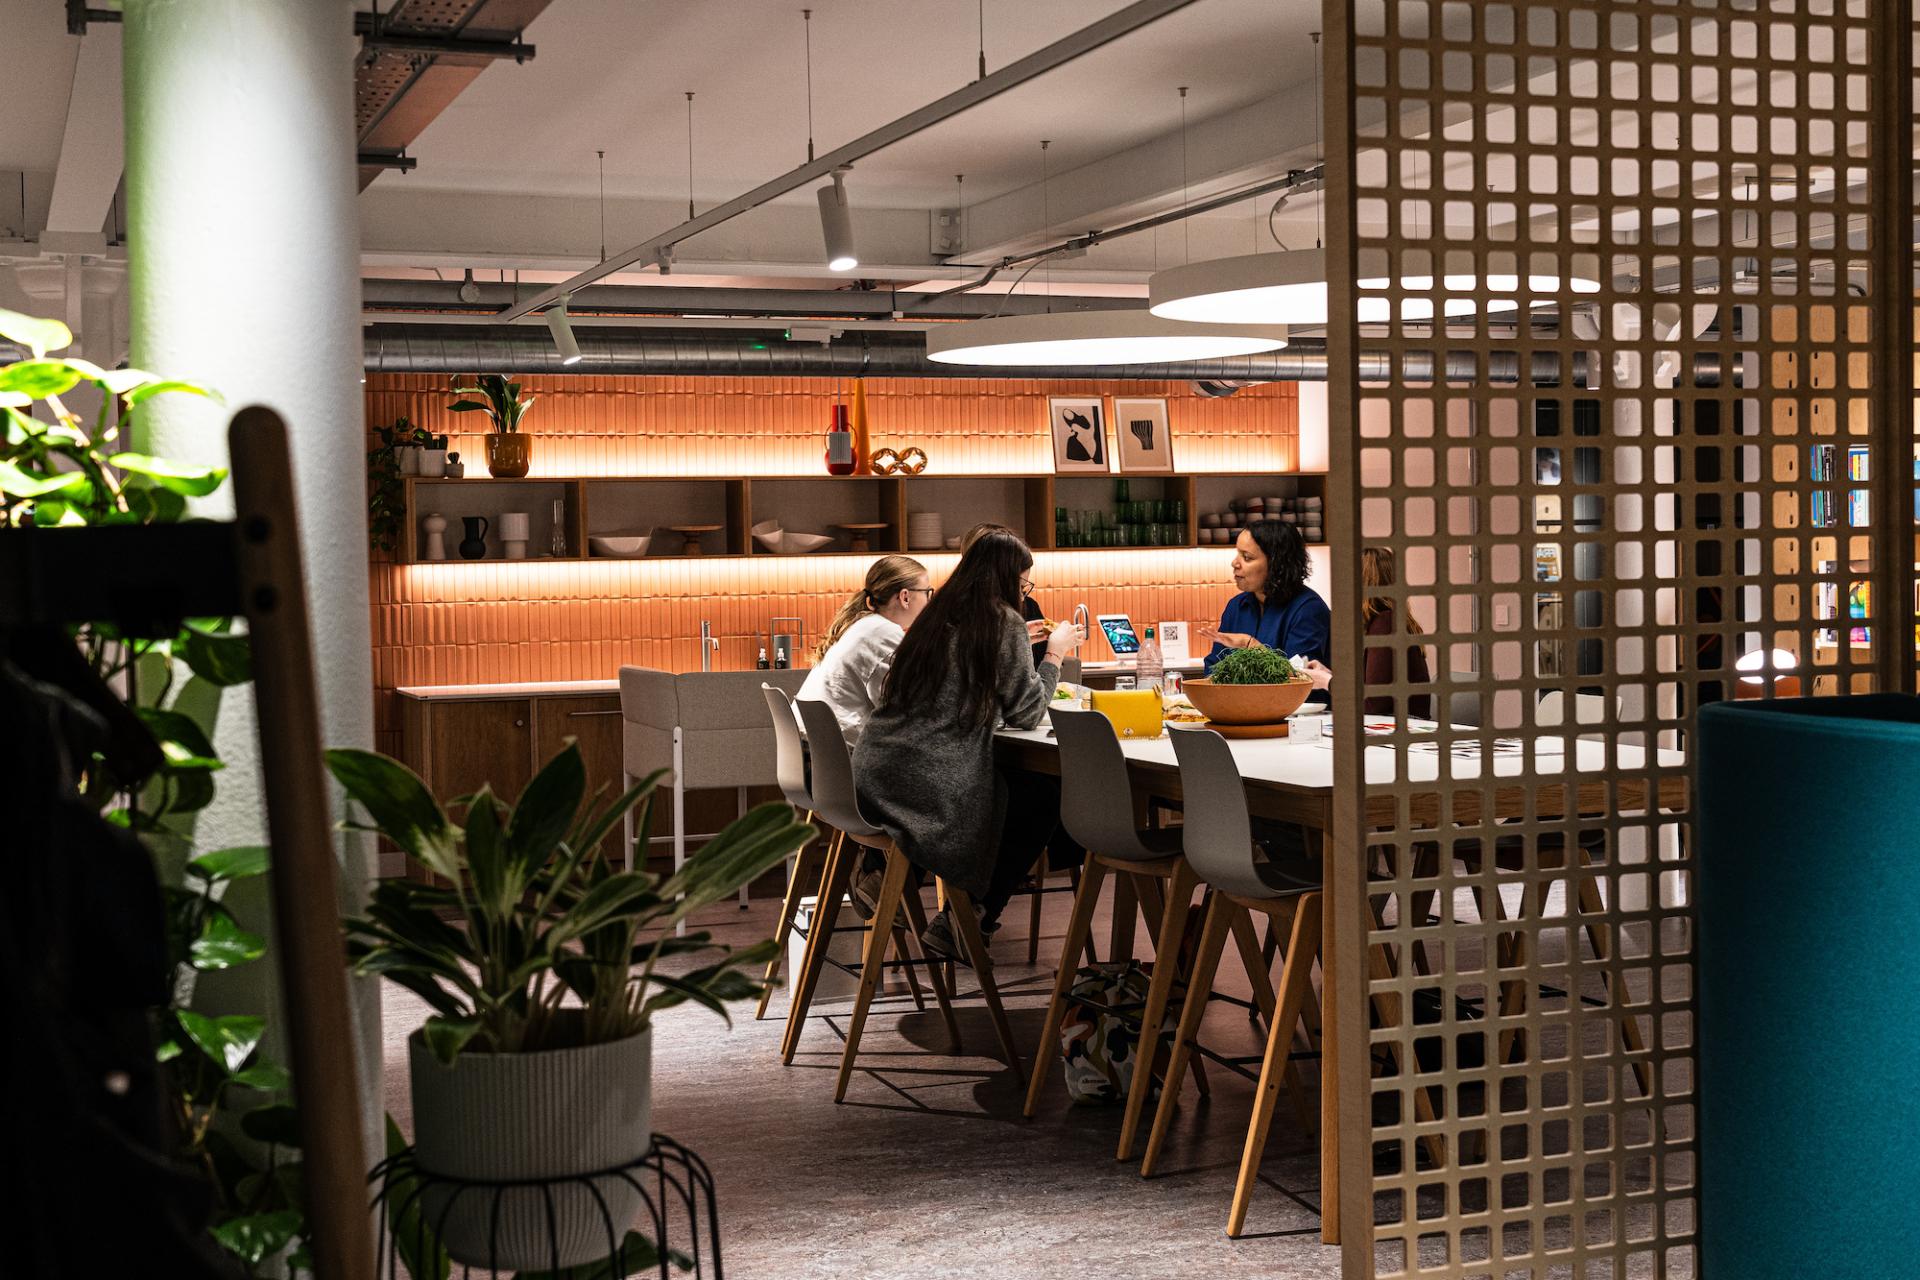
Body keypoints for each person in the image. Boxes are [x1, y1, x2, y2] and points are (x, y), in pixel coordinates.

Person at [852, 529, 1081, 962]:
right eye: (1022, 584)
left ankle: (885, 875)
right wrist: (1055, 654)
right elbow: (1028, 712)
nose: (1023, 593)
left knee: (1009, 788)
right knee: (1041, 797)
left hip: (876, 768)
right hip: (923, 779)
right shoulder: (1002, 620)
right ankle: (969, 917)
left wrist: (1018, 644)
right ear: (1006, 578)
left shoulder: (938, 611)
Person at [797, 555, 932, 745]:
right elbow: (901, 711)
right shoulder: (883, 633)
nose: (930, 601)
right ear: (905, 597)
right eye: (927, 592)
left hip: (816, 746)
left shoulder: (864, 625)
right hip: (839, 751)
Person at [1301, 546, 1434, 717]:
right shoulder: (1387, 621)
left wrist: (1327, 681)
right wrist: (1328, 675)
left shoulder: (1386, 624)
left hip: (1401, 727)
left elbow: (1372, 703)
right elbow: (1372, 691)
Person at [1202, 520, 1331, 676]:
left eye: (1247, 557)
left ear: (1277, 563)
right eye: (1237, 554)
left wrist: (1250, 645)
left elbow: (1302, 676)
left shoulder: (1308, 609)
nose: (1234, 563)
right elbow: (1214, 666)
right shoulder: (1236, 606)